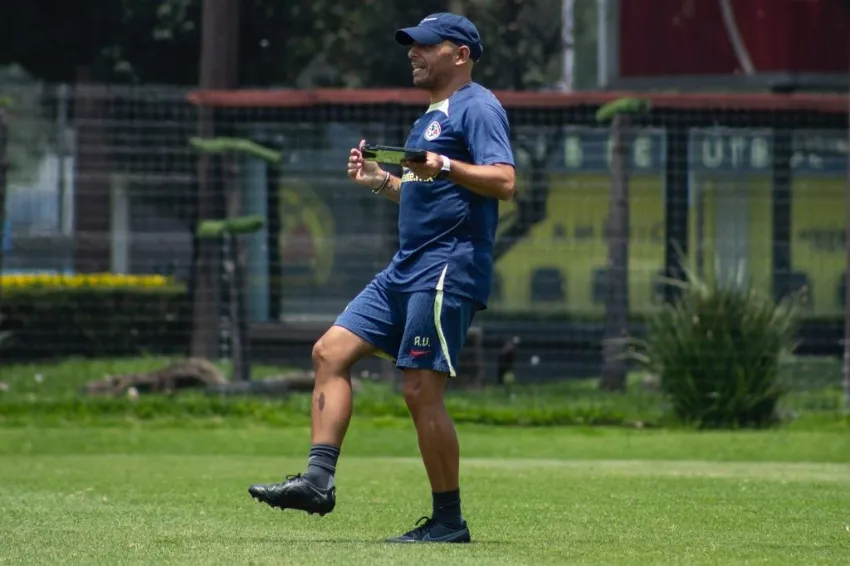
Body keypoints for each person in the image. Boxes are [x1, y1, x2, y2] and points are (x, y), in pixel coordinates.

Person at [248, 12, 515, 544]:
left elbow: (504, 181)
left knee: (419, 389)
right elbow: (425, 192)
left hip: (446, 267)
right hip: (406, 267)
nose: (413, 53)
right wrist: (381, 181)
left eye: (426, 45)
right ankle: (317, 482)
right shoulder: (428, 119)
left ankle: (448, 523)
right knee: (330, 352)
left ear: (460, 54)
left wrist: (446, 165)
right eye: (411, 45)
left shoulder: (478, 106)